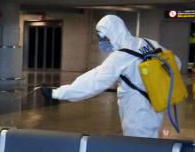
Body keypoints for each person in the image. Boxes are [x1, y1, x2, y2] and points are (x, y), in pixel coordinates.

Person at [39, 14, 180, 139]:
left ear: (113, 33)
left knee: (139, 150)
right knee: (152, 144)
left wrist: (57, 93)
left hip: (137, 111)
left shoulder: (121, 56)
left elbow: (94, 82)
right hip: (156, 104)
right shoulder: (148, 43)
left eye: (104, 37)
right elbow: (176, 63)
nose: (102, 41)